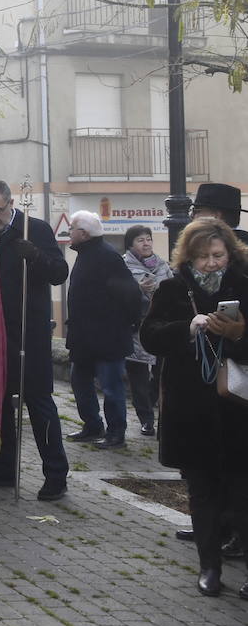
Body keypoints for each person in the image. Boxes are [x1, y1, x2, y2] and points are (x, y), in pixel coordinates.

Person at [141, 218, 248, 598]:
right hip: (191, 407)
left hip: (237, 406)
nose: (211, 264)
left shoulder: (243, 285)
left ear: (229, 254)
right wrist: (189, 327)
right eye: (203, 257)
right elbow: (150, 336)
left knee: (241, 491)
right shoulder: (173, 288)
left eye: (217, 256)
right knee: (202, 492)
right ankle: (209, 568)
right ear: (189, 256)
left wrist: (237, 334)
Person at [0, 178, 70, 501]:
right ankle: (2, 466)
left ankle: (55, 473)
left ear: (10, 203)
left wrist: (35, 256)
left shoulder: (34, 230)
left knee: (39, 403)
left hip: (30, 332)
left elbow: (58, 272)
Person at [64, 211, 143, 450]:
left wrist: (127, 323)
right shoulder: (86, 253)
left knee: (111, 387)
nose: (69, 233)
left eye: (72, 230)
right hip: (84, 337)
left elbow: (131, 295)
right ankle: (93, 425)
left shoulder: (108, 256)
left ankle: (116, 433)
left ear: (84, 234)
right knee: (80, 382)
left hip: (107, 336)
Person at [123, 225, 171, 436]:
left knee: (161, 373)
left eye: (148, 239)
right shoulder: (123, 266)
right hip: (136, 329)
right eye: (140, 240)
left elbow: (173, 291)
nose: (146, 243)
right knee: (138, 377)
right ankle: (146, 420)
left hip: (161, 327)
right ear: (131, 245)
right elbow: (119, 295)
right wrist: (138, 290)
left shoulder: (162, 266)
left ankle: (153, 407)